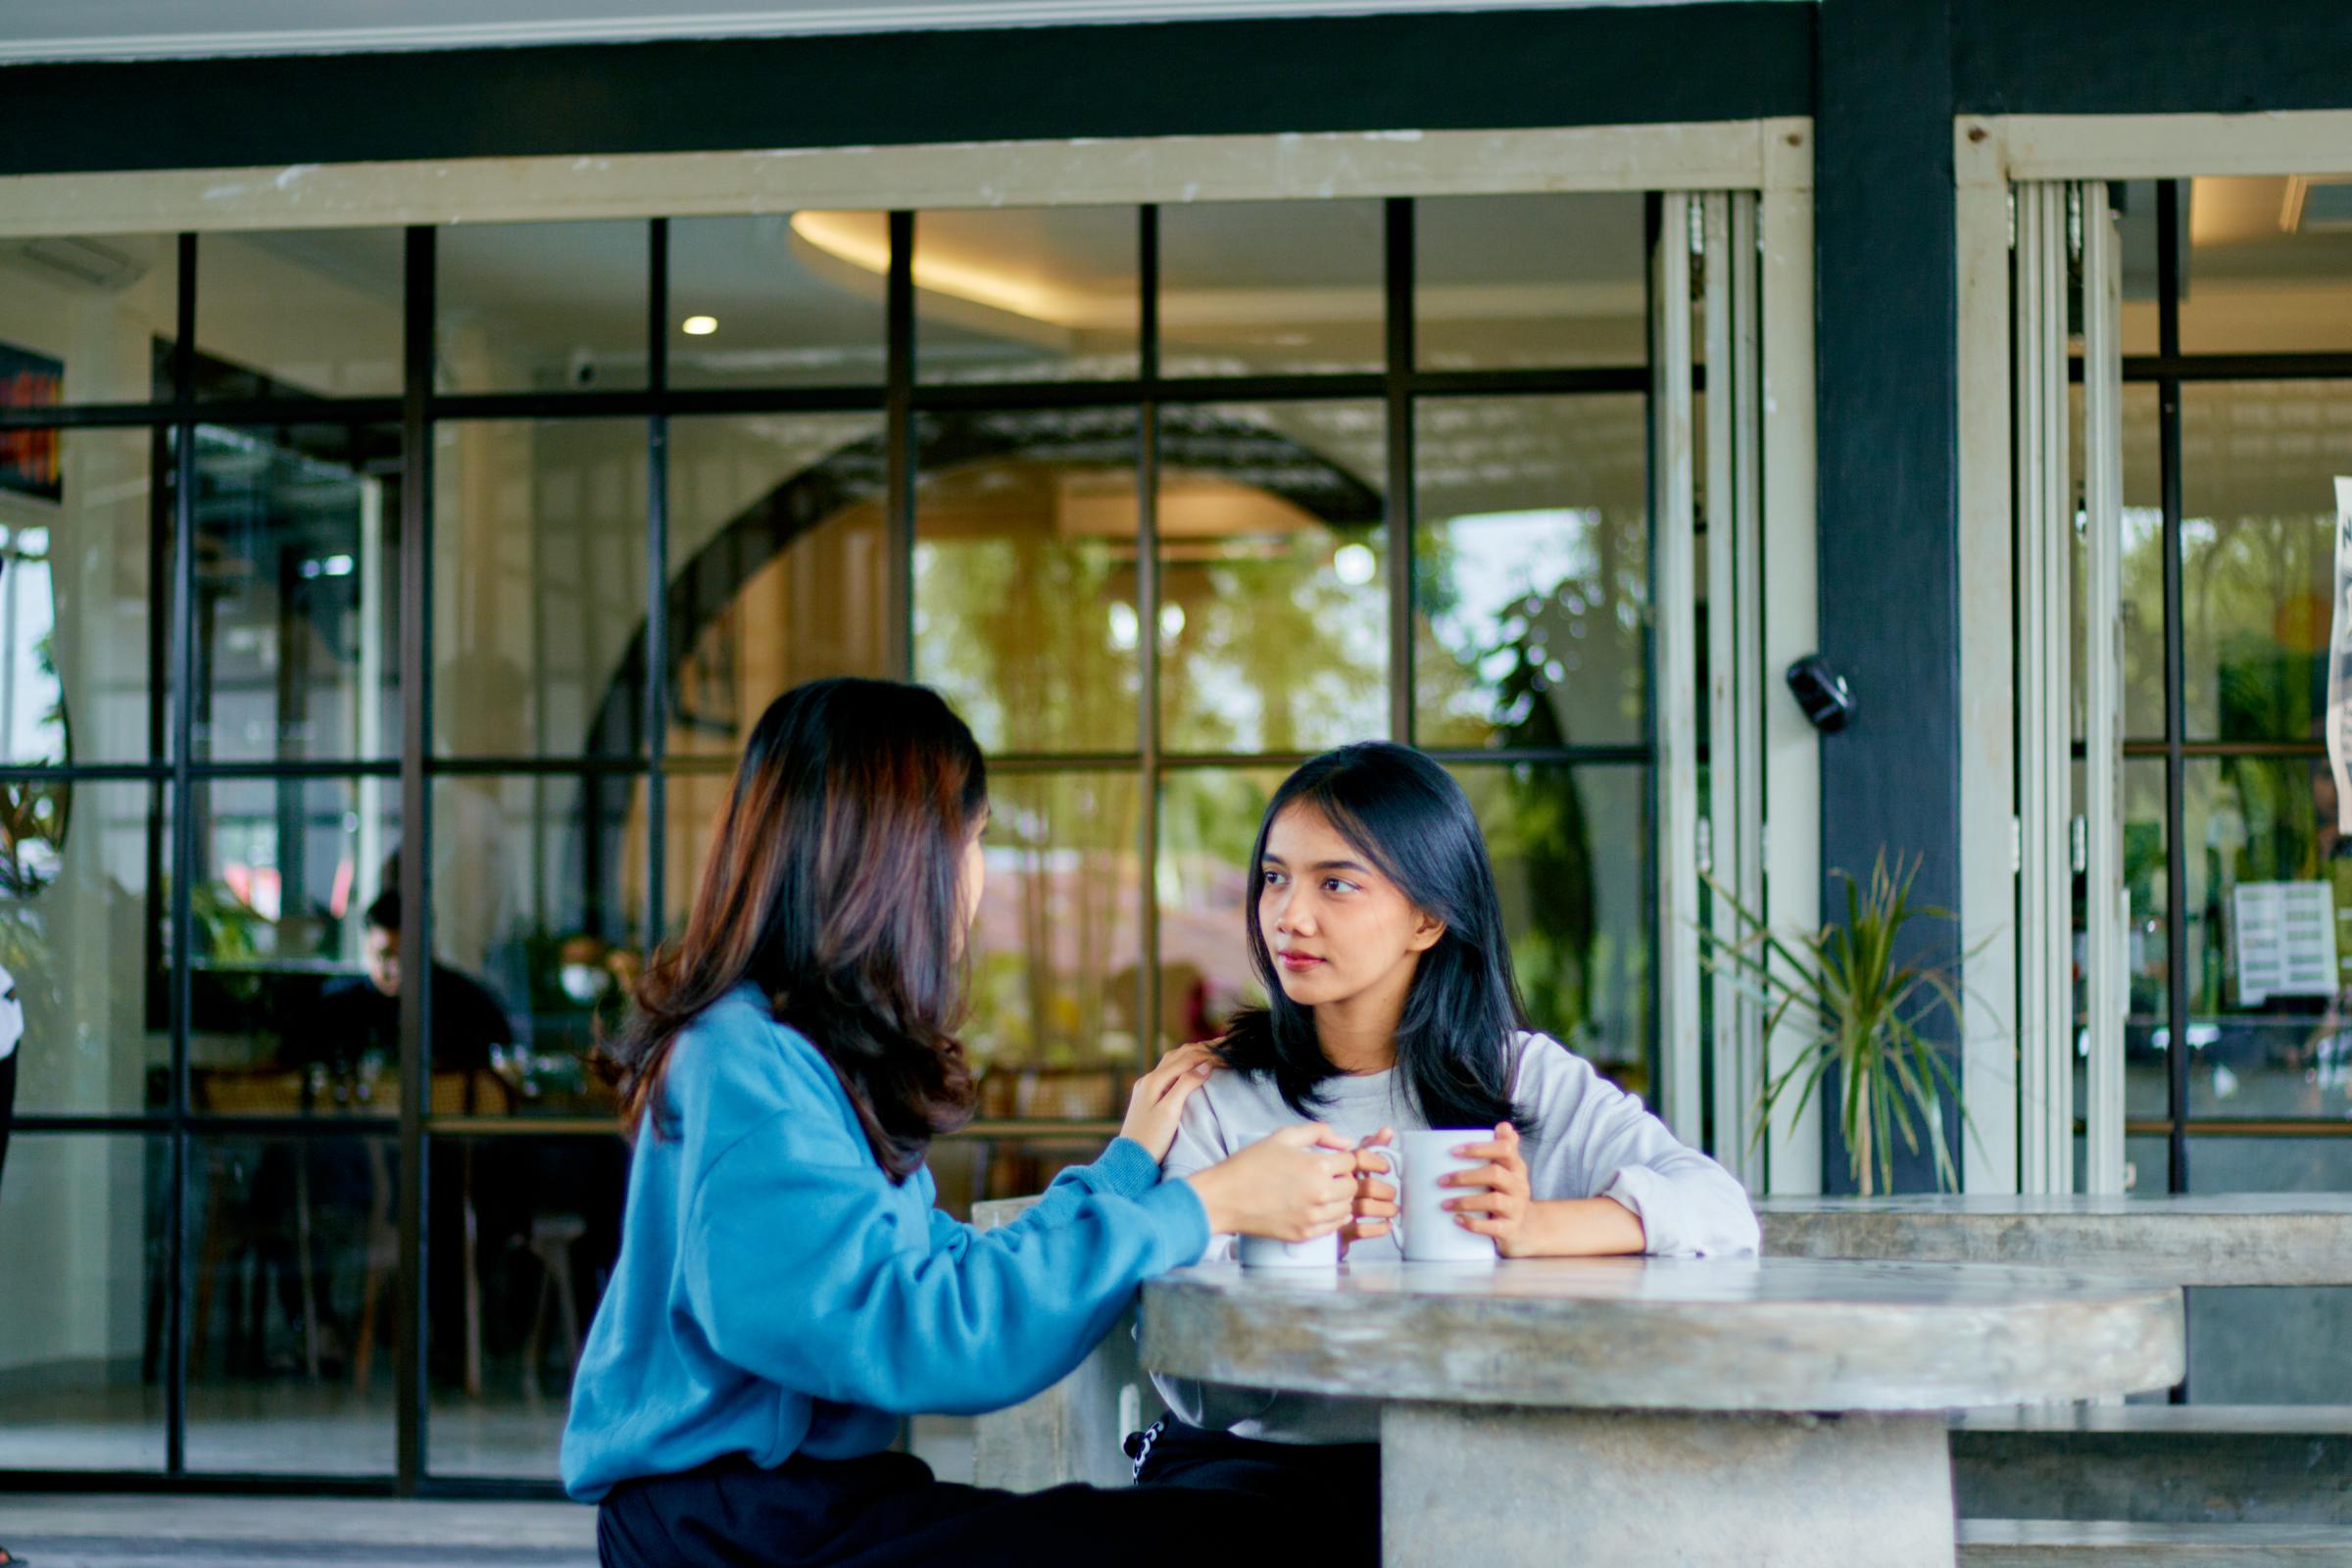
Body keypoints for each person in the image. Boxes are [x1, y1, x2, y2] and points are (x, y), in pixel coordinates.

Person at [561, 677, 1368, 1568]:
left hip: (804, 1506)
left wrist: (1127, 1168)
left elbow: (933, 1269)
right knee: (1225, 1533)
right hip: (738, 1534)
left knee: (1256, 1511)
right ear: (902, 859)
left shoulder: (786, 1054)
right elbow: (922, 1330)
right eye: (973, 839)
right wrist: (1207, 1205)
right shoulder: (743, 1068)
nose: (976, 876)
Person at [1134, 741, 1761, 1532]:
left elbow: (1722, 1214)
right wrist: (1306, 1251)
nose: (1289, 915)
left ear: (1428, 917)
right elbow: (1191, 1381)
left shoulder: (1523, 1079)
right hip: (1263, 1469)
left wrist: (1537, 1227)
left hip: (1491, 1463)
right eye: (1274, 878)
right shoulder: (1219, 1098)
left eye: (1336, 883)